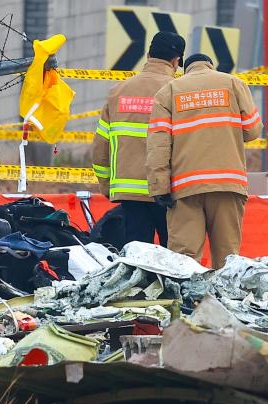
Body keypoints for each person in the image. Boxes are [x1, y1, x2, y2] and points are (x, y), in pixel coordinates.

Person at [146, 54, 262, 269]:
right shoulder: (233, 84)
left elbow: (158, 145)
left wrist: (159, 187)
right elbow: (253, 130)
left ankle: (187, 301)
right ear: (211, 65)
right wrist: (228, 132)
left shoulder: (169, 91)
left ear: (185, 69)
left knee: (184, 259)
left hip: (185, 187)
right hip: (227, 182)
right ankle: (224, 301)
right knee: (228, 257)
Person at [91, 31, 185, 247]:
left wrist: (108, 185)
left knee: (137, 256)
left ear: (148, 55)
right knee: (171, 258)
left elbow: (100, 147)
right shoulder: (178, 91)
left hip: (129, 192)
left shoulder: (118, 91)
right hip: (168, 191)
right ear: (176, 61)